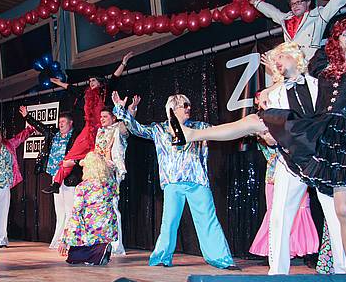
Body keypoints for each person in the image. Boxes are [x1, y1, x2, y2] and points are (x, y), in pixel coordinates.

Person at [181, 30, 346, 273]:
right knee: (279, 216)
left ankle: (342, 273)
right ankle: (277, 272)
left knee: (335, 215)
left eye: (281, 56)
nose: (277, 62)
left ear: (295, 56)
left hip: (322, 155)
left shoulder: (320, 80)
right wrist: (268, 132)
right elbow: (270, 130)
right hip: (289, 157)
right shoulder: (274, 93)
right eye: (274, 60)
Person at [112, 91, 237, 269]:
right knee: (169, 222)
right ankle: (162, 257)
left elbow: (222, 131)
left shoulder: (199, 127)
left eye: (189, 105)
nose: (188, 108)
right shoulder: (159, 129)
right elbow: (135, 128)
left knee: (208, 220)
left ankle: (221, 259)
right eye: (184, 106)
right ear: (172, 109)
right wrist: (120, 109)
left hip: (197, 181)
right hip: (172, 182)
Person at [42, 52, 133, 194]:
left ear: (100, 82)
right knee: (71, 155)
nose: (91, 83)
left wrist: (123, 63)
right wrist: (59, 83)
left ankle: (103, 190)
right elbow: (71, 88)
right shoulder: (85, 94)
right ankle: (56, 183)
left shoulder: (104, 92)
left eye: (94, 81)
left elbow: (115, 78)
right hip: (88, 129)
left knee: (99, 161)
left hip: (103, 131)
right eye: (90, 81)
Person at [20, 107, 82, 249]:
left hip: (70, 176)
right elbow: (41, 127)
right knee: (59, 211)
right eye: (59, 122)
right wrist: (27, 117)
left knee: (70, 209)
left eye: (63, 122)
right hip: (55, 176)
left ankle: (68, 240)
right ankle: (58, 239)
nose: (60, 124)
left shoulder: (76, 136)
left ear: (71, 123)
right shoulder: (54, 134)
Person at [249, 141, 318, 258]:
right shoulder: (264, 138)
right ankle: (273, 250)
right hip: (273, 177)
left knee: (300, 210)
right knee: (275, 213)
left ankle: (301, 249)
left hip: (297, 174)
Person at [93, 102, 140, 255]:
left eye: (105, 116)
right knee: (101, 208)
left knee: (112, 207)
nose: (102, 119)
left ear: (113, 118)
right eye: (101, 117)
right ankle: (102, 243)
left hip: (112, 173)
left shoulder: (118, 129)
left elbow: (127, 126)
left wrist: (131, 110)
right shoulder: (100, 131)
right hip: (99, 172)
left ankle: (116, 245)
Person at [0, 120, 35, 248]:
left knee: (3, 212)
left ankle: (1, 239)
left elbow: (19, 138)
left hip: (5, 185)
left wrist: (30, 129)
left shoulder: (8, 145)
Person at [58, 152, 117, 266]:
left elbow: (76, 213)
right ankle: (102, 248)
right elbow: (112, 168)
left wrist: (65, 240)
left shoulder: (83, 187)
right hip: (108, 227)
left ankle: (98, 253)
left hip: (91, 229)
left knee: (73, 257)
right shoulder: (111, 183)